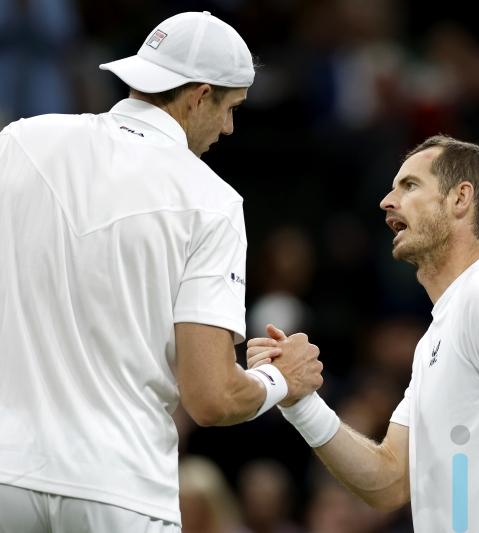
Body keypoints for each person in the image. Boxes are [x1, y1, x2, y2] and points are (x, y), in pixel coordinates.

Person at [0, 11, 322, 532]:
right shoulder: (212, 201)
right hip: (121, 490)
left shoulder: (20, 142)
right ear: (199, 96)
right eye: (230, 108)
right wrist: (280, 378)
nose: (229, 128)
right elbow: (211, 397)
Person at [248, 135, 479, 531]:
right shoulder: (434, 338)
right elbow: (388, 481)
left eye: (409, 185)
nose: (386, 201)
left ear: (460, 198)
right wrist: (301, 403)